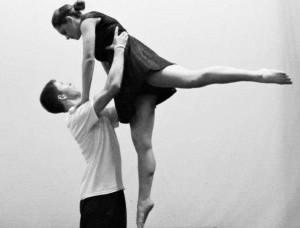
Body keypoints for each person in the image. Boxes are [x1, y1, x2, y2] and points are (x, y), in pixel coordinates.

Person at [51, 1, 292, 227]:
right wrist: (118, 90)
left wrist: (84, 97)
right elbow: (109, 69)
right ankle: (145, 200)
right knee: (142, 144)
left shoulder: (87, 21)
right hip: (127, 78)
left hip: (137, 64)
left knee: (194, 78)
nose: (67, 37)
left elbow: (88, 59)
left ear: (72, 18)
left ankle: (258, 74)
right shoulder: (93, 32)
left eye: (64, 31)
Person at [40, 28, 129, 228]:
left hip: (111, 193)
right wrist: (120, 49)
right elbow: (113, 87)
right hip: (99, 197)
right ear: (62, 96)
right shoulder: (77, 117)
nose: (69, 82)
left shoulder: (91, 115)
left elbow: (124, 111)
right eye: (63, 83)